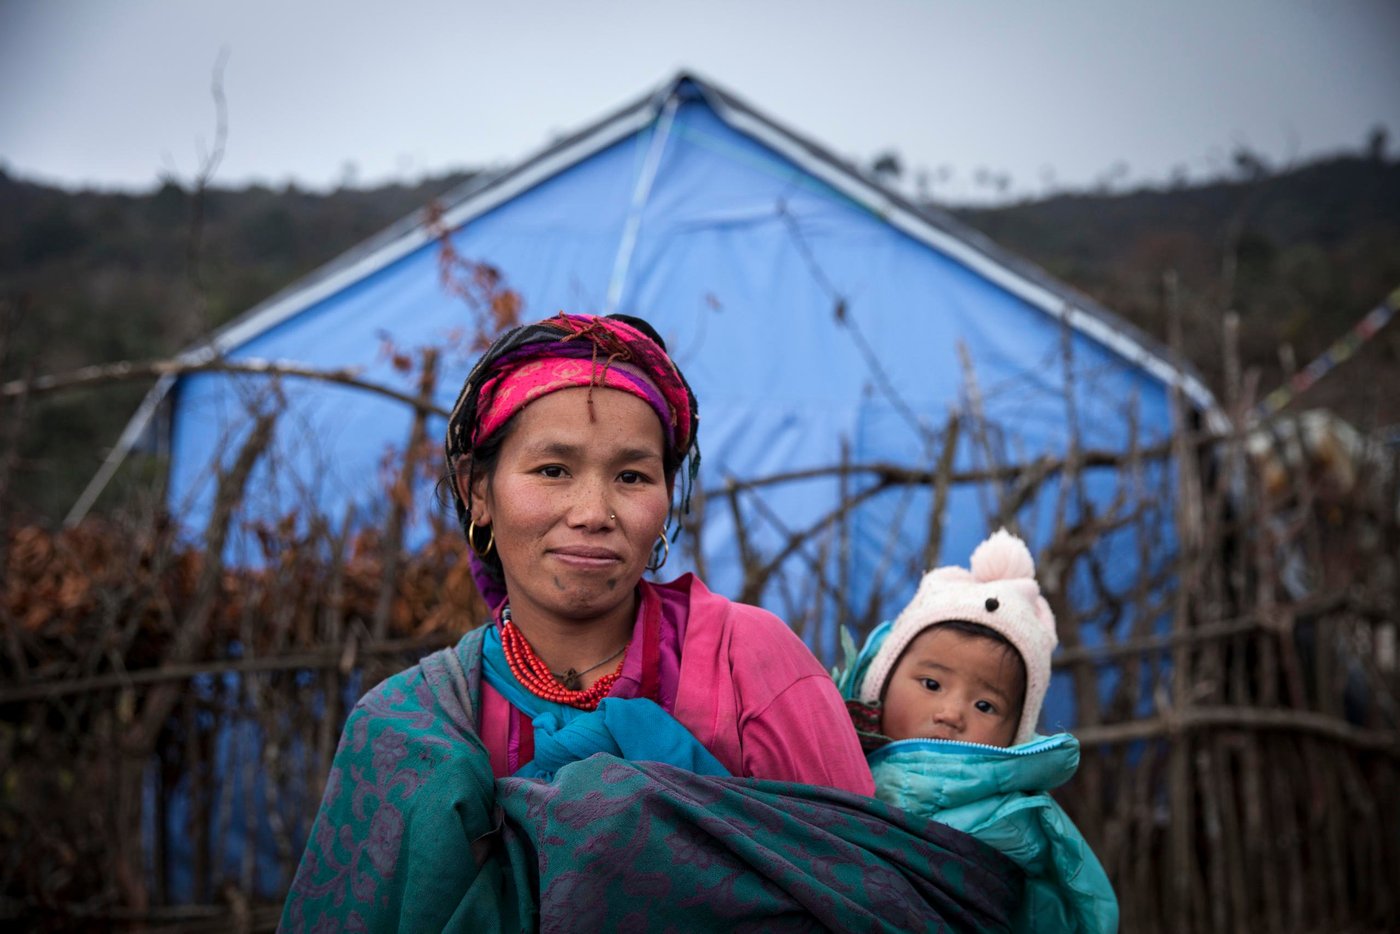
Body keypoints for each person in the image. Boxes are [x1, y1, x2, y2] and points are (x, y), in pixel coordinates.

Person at [281, 313, 1024, 932]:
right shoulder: (404, 731)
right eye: (552, 470)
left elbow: (876, 897)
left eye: (633, 476)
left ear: (668, 496)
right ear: (479, 492)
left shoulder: (751, 664)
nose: (594, 512)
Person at [839, 528, 1120, 933]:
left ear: (1015, 735)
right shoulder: (827, 762)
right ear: (878, 684)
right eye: (931, 685)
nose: (952, 713)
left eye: (985, 706)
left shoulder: (1015, 825)